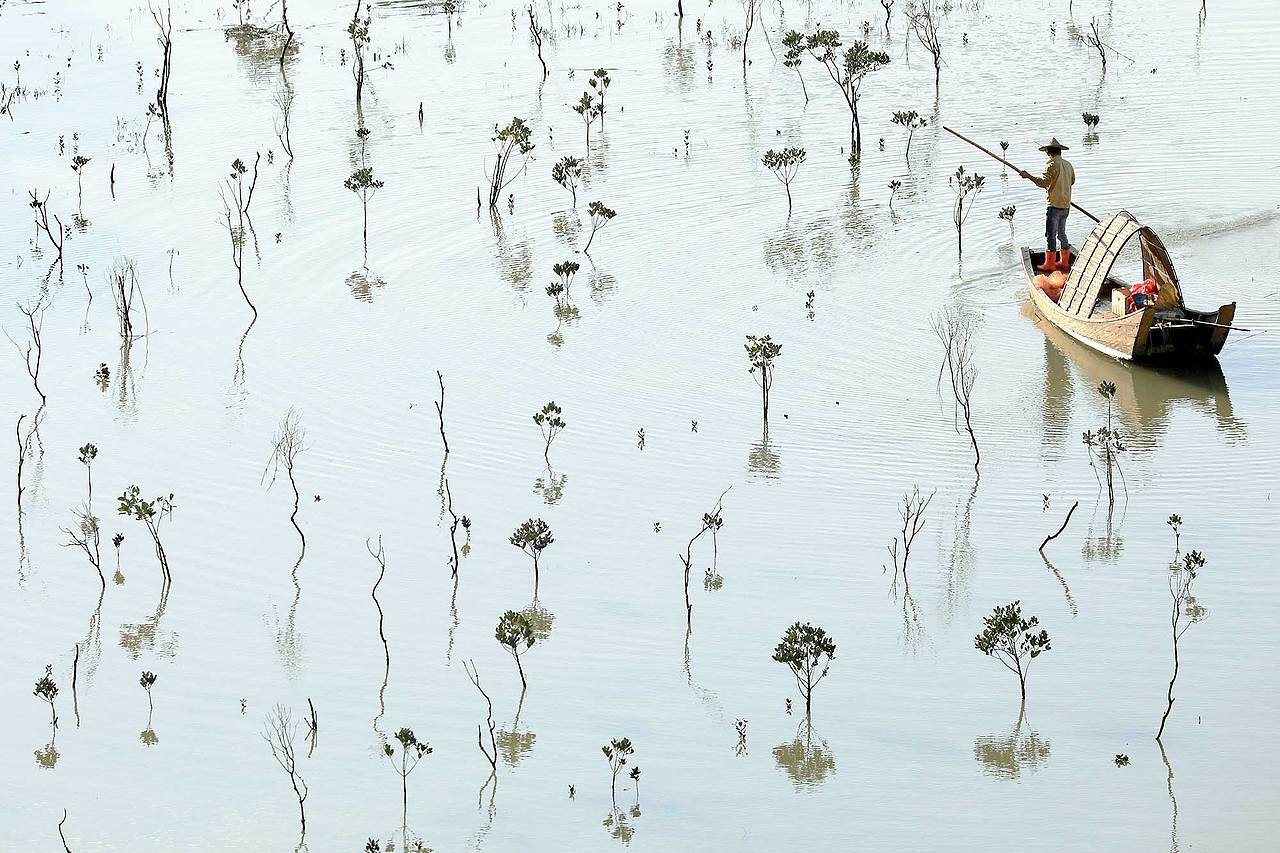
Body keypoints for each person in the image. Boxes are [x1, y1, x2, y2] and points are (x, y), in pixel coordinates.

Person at [1020, 138, 1076, 273]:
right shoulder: (1068, 165)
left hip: (1054, 205)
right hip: (1065, 204)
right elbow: (1072, 181)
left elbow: (1043, 183)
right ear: (1060, 152)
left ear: (1049, 153)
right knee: (1061, 233)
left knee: (1050, 235)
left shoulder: (1051, 165)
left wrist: (1028, 176)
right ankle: (1064, 263)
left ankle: (1050, 264)